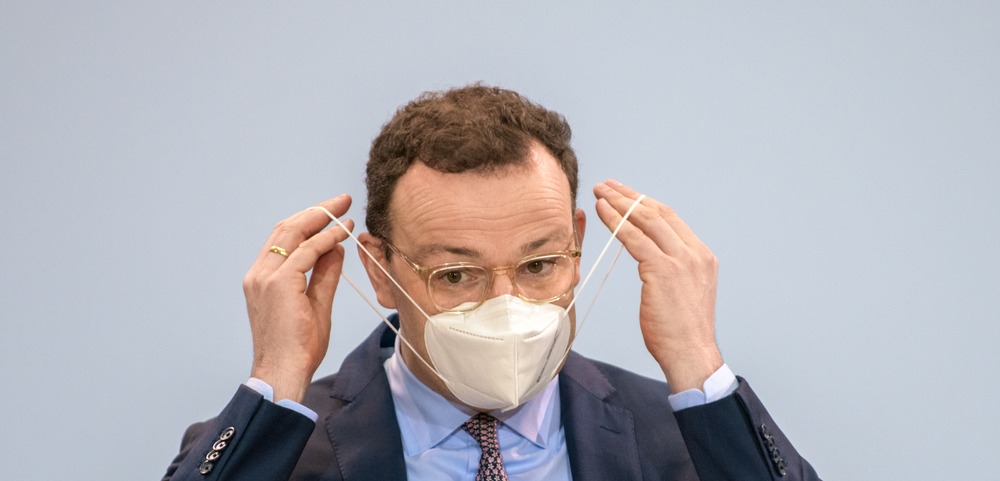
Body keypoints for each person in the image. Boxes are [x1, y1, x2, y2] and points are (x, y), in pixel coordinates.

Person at [162, 85, 820, 480]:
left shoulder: (688, 438)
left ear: (578, 246)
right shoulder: (272, 448)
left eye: (538, 265)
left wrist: (699, 363)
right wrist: (277, 376)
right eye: (456, 273)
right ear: (379, 271)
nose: (507, 306)